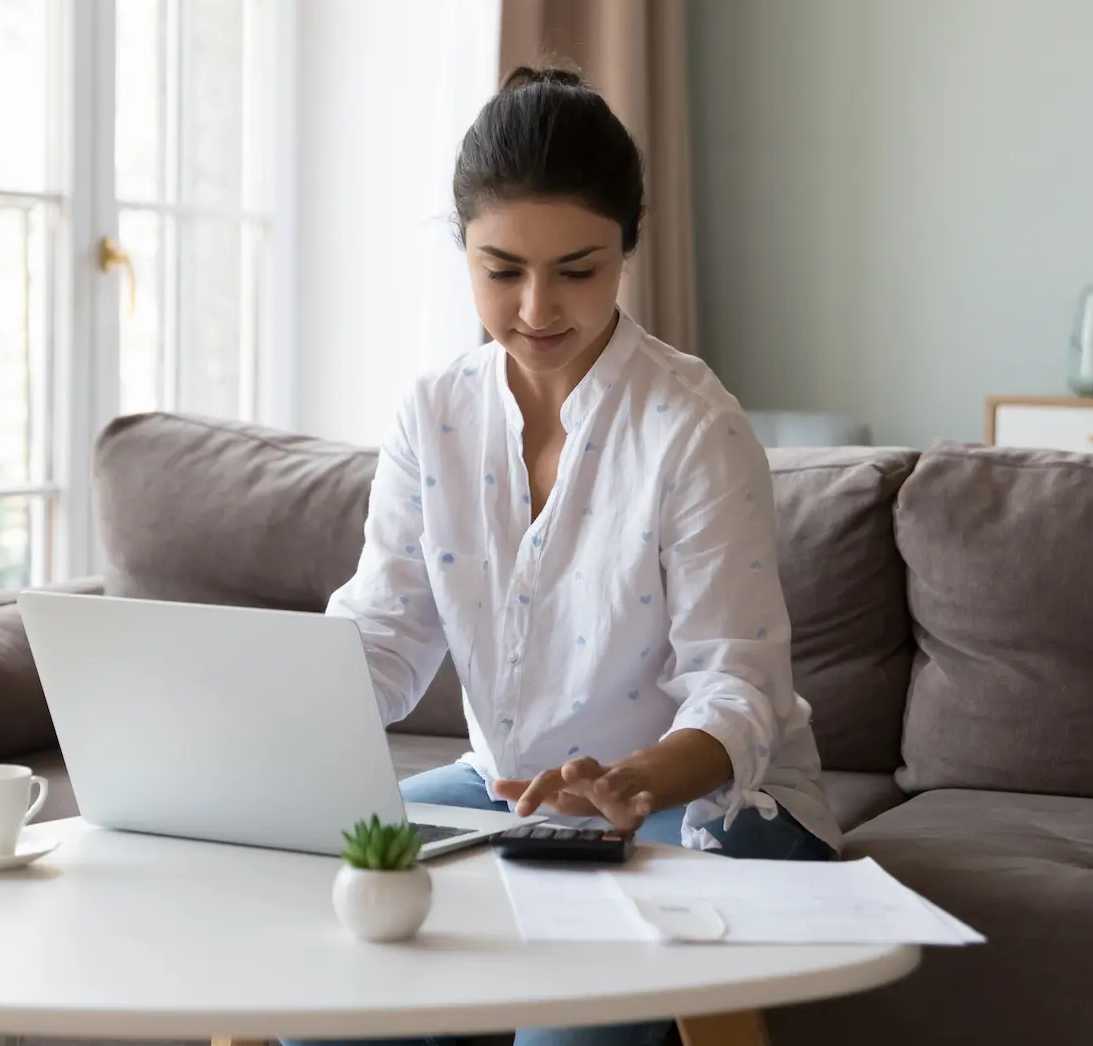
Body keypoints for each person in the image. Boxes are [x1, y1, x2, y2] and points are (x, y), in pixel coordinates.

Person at [300, 66, 837, 1046]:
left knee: (569, 1024)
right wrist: (267, 716)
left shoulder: (692, 426)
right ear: (460, 250)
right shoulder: (432, 415)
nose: (537, 307)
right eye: (501, 269)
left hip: (706, 799)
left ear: (627, 249)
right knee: (325, 963)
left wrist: (633, 783)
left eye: (577, 269)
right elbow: (384, 639)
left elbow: (739, 688)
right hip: (508, 790)